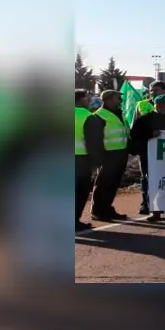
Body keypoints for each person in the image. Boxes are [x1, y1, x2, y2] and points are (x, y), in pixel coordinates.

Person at [129, 95, 165, 221]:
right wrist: (150, 134)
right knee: (151, 181)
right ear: (158, 106)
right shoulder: (145, 119)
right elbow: (134, 135)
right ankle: (154, 210)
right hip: (149, 156)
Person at [84, 90, 130, 222]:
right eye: (118, 97)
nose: (120, 100)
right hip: (108, 154)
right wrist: (98, 156)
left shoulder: (119, 113)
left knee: (113, 183)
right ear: (109, 99)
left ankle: (107, 208)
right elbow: (95, 139)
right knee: (103, 183)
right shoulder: (99, 116)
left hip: (120, 152)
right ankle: (98, 211)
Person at [75, 89, 95, 231]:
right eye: (87, 98)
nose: (90, 100)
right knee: (80, 191)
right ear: (80, 99)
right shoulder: (88, 116)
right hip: (81, 159)